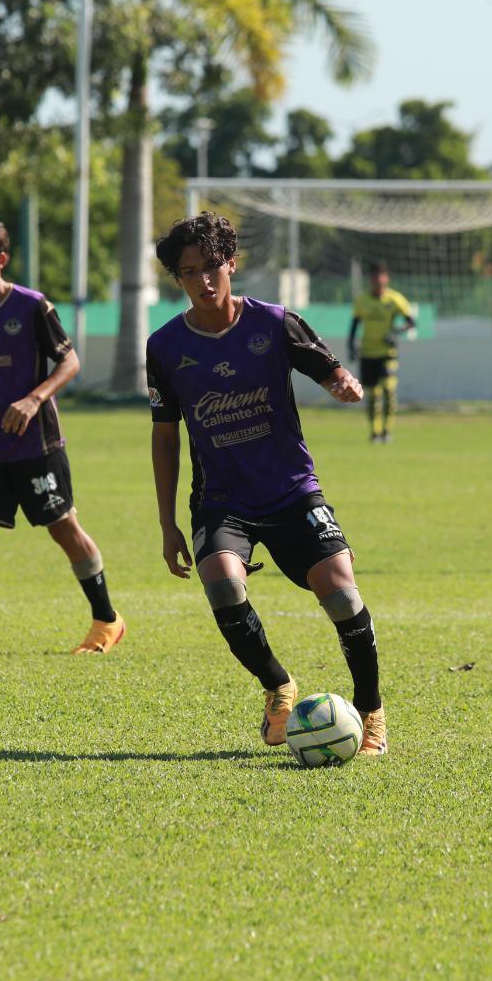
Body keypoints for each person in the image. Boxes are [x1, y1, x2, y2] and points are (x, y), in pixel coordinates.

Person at [147, 211, 387, 754]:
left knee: (342, 593)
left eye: (212, 267)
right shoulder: (164, 347)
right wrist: (167, 524)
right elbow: (164, 436)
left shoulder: (274, 322)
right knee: (225, 585)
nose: (204, 282)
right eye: (189, 273)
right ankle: (278, 686)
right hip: (222, 500)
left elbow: (330, 370)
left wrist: (344, 383)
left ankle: (370, 712)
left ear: (231, 262)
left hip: (291, 490)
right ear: (177, 279)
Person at [0, 219, 125, 660]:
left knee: (64, 530)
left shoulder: (33, 307)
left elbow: (70, 362)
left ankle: (107, 619)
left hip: (36, 445)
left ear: (0, 260)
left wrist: (34, 399)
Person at [348, 261, 416, 443]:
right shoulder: (362, 300)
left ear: (387, 279)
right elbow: (354, 326)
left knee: (389, 391)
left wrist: (396, 332)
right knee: (372, 395)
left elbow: (411, 322)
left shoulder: (395, 299)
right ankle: (375, 432)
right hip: (368, 353)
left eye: (381, 277)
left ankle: (387, 431)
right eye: (375, 277)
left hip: (387, 353)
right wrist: (351, 346)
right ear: (371, 279)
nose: (378, 281)